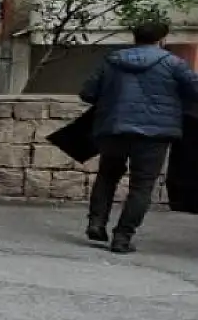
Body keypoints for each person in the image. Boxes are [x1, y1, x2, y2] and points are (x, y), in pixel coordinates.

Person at [80, 20, 198, 253]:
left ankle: (96, 223)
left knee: (107, 176)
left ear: (134, 37)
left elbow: (87, 93)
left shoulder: (112, 61)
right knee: (142, 186)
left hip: (114, 128)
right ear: (162, 39)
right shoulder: (174, 64)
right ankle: (122, 237)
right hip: (155, 134)